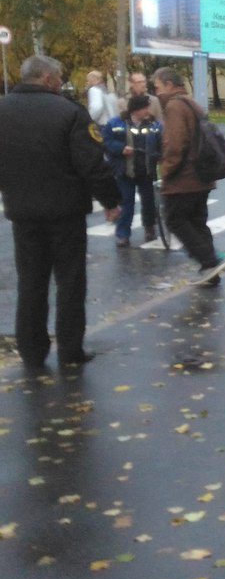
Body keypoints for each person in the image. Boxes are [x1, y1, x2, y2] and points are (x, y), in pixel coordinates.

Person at [0, 55, 121, 370]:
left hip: (23, 213)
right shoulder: (69, 113)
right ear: (48, 78)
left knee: (31, 282)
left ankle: (32, 351)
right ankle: (70, 350)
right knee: (69, 282)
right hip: (65, 214)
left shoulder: (3, 110)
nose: (61, 81)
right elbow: (92, 165)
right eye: (59, 77)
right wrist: (111, 201)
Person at [153, 67, 225, 286]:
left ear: (168, 84)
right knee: (197, 222)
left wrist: (166, 171)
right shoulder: (191, 103)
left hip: (184, 179)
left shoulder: (175, 106)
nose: (156, 93)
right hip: (202, 176)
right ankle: (210, 270)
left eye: (157, 87)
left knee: (175, 220)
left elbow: (175, 144)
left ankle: (209, 261)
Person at [103, 94, 162, 247]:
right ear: (135, 109)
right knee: (126, 203)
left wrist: (159, 156)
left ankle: (150, 228)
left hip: (147, 171)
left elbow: (162, 143)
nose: (147, 111)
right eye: (144, 108)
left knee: (149, 202)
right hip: (125, 171)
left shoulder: (154, 125)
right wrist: (121, 149)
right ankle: (123, 235)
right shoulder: (116, 123)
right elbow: (106, 141)